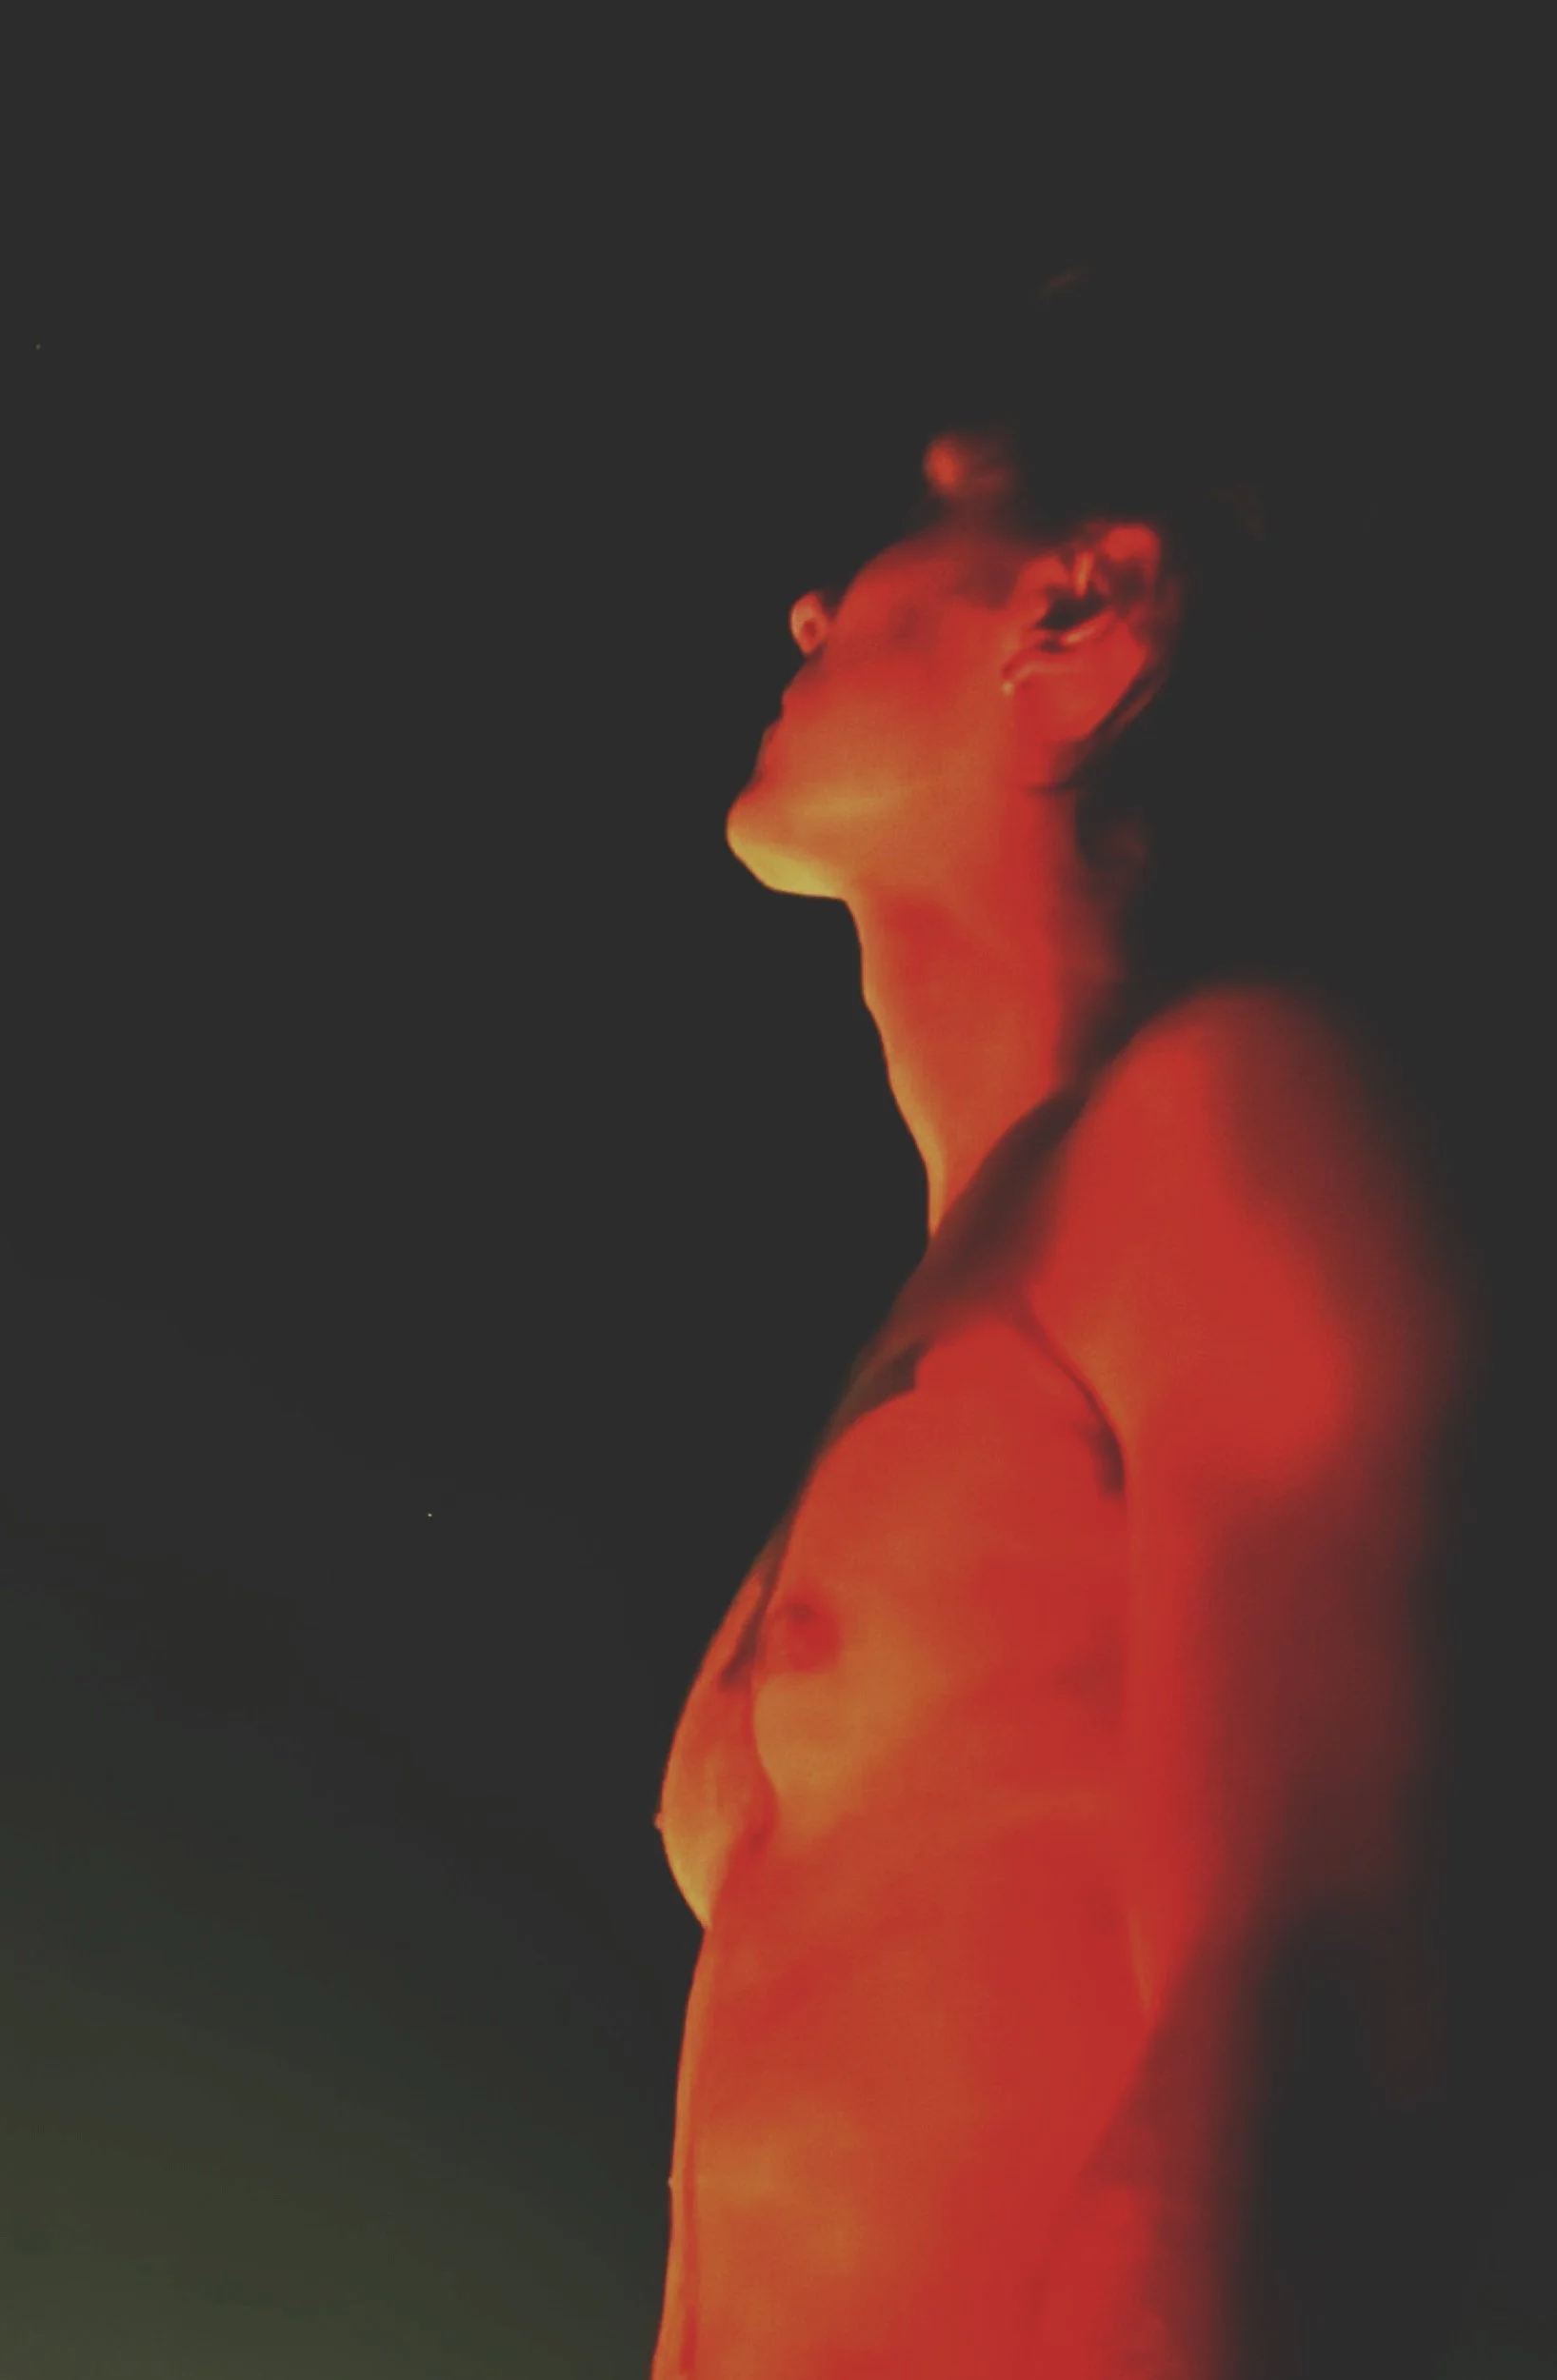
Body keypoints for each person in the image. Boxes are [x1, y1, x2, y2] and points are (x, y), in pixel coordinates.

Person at [652, 273, 1478, 2376]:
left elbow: (1307, 2010)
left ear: (1082, 614)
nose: (807, 601)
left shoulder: (1234, 1129)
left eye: (917, 518)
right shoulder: (952, 1314)